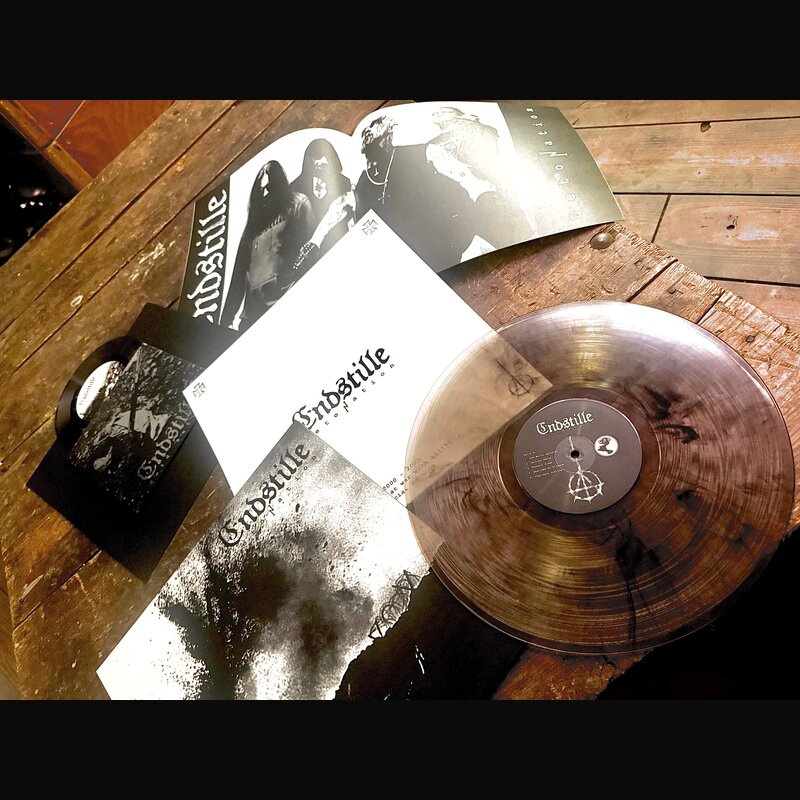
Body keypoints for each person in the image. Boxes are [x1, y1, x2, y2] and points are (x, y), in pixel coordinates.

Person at [354, 114, 481, 272]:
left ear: (389, 138)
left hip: (443, 248)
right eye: (368, 149)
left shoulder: (422, 154)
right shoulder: (363, 183)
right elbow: (364, 225)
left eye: (376, 144)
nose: (370, 157)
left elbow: (467, 184)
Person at [220, 160, 312, 331]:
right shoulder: (252, 226)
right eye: (260, 191)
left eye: (269, 189)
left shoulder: (298, 203)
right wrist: (225, 321)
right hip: (251, 318)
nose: (265, 195)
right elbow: (238, 275)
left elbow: (310, 246)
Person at [290, 138, 356, 276]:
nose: (320, 165)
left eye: (325, 165)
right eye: (316, 162)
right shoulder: (296, 187)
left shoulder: (344, 182)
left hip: (337, 247)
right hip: (306, 255)